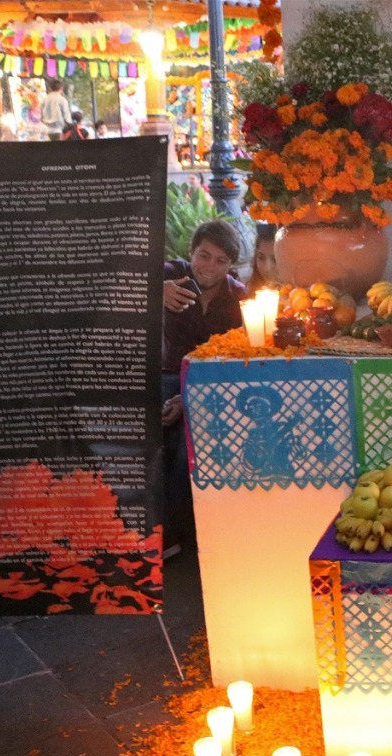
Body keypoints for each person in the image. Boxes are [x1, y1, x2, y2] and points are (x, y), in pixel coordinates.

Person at [161, 220, 248, 554]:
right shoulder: (173, 274)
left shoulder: (237, 298)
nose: (210, 266)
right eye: (204, 255)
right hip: (166, 374)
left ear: (231, 265)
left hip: (207, 384)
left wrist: (185, 399)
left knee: (189, 450)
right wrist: (158, 290)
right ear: (191, 252)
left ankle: (179, 537)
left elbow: (232, 360)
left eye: (221, 260)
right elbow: (119, 280)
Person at [246, 222, 278, 293]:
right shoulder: (247, 294)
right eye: (261, 258)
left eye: (275, 260)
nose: (267, 268)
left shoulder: (302, 297)